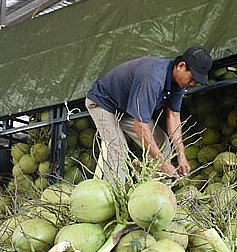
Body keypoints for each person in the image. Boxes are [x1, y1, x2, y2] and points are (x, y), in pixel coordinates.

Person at [85, 46, 213, 183]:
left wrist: (181, 154)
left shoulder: (178, 84)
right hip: (103, 103)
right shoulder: (152, 79)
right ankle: (114, 196)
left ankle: (159, 195)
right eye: (192, 78)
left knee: (162, 143)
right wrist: (163, 164)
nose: (193, 83)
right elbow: (140, 126)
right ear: (181, 66)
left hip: (125, 108)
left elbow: (174, 117)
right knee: (118, 151)